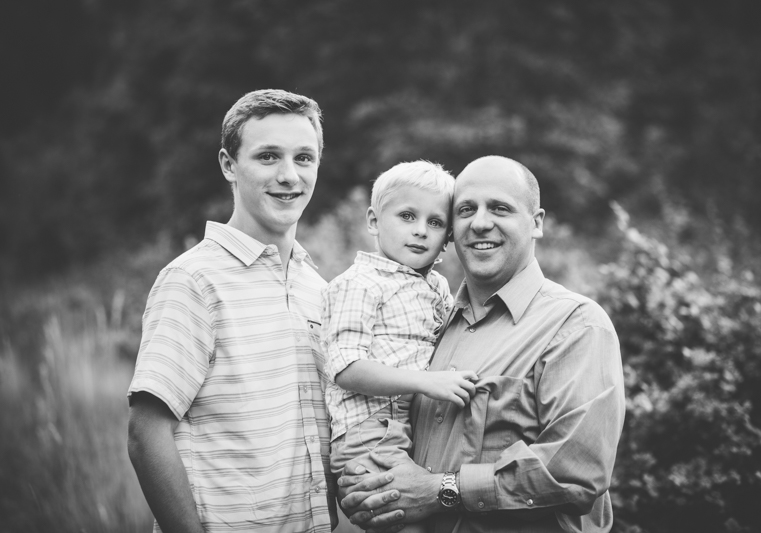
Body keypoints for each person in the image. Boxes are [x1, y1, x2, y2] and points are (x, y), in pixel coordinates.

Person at [339, 155, 626, 532]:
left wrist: (438, 490)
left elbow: (576, 471)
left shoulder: (575, 325)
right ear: (452, 230)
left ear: (536, 223)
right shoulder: (428, 326)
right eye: (466, 210)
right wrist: (367, 482)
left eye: (500, 208)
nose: (480, 222)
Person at [127, 89, 337, 533]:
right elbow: (146, 435)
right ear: (228, 165)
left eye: (304, 158)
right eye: (267, 157)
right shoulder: (194, 281)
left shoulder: (317, 289)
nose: (289, 175)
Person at [322, 161, 479, 532]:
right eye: (407, 216)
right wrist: (427, 382)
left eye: (435, 222)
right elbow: (346, 369)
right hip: (369, 431)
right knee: (401, 519)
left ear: (449, 237)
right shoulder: (359, 283)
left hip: (416, 428)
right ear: (374, 221)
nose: (420, 231)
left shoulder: (437, 287)